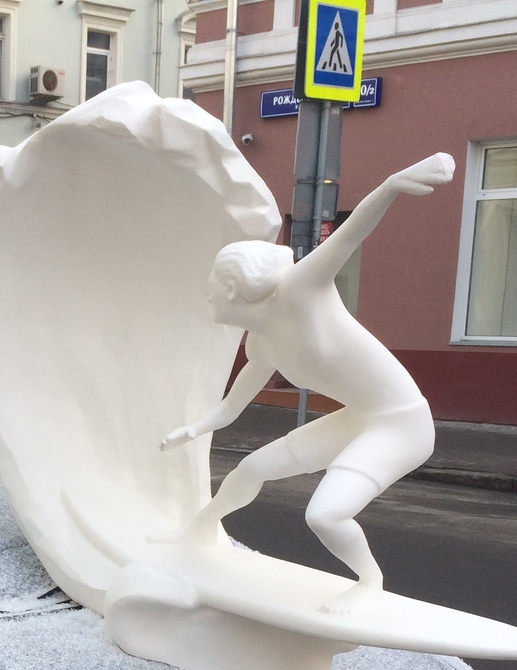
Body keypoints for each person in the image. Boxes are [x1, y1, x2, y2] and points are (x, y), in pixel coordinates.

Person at [157, 152, 457, 615]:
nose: (207, 295)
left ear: (234, 292)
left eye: (212, 287)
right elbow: (231, 408)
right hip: (357, 418)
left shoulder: (299, 293)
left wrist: (392, 184)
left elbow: (349, 236)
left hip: (401, 425)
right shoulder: (261, 344)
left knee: (324, 514)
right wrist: (193, 429)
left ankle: (369, 582)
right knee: (251, 469)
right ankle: (198, 529)